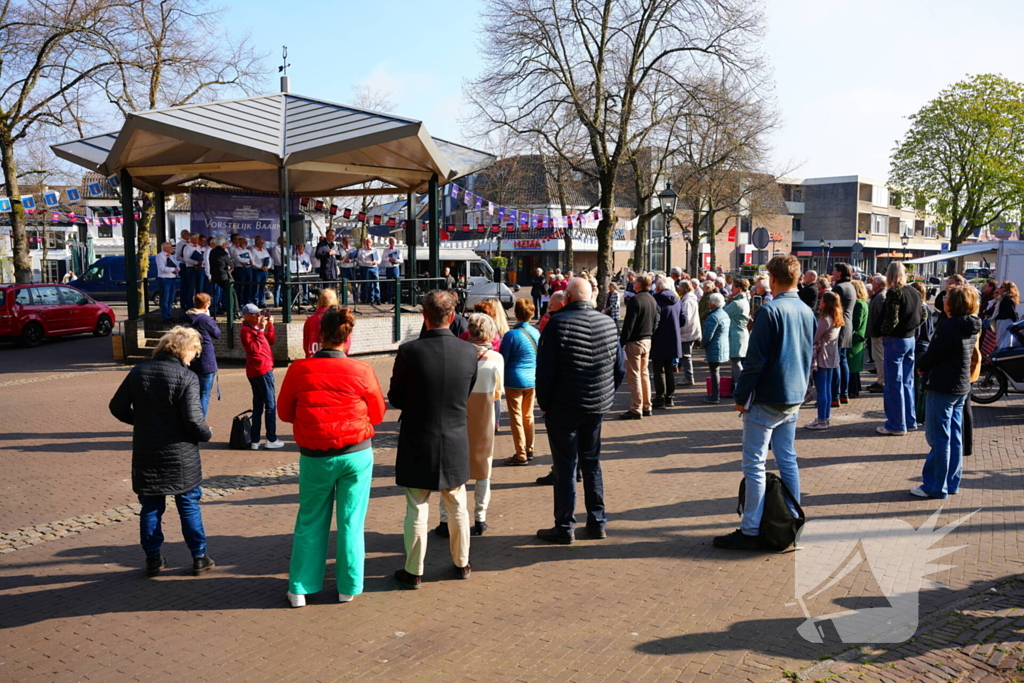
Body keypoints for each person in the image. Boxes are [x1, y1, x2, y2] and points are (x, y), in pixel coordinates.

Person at [277, 306, 386, 607]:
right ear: (348, 337)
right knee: (352, 521)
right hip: (355, 454)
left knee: (310, 519)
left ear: (320, 334)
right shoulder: (362, 371)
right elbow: (377, 413)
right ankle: (348, 586)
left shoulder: (299, 369)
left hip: (315, 454)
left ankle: (300, 587)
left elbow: (285, 412)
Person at [714, 255, 814, 550]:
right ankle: (793, 519)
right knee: (788, 460)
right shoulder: (807, 310)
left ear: (774, 277)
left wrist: (741, 397)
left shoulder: (771, 311)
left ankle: (751, 529)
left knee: (754, 464)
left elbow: (754, 362)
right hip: (793, 397)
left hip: (768, 397)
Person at [108, 326, 215, 577]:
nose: (194, 358)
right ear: (184, 350)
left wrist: (141, 420)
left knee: (151, 506)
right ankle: (199, 556)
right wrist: (206, 433)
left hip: (147, 450)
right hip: (180, 453)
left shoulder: (138, 372)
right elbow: (192, 419)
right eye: (194, 353)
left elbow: (117, 406)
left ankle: (153, 559)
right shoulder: (187, 378)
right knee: (188, 504)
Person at [389, 291, 479, 588]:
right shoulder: (469, 352)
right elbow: (465, 393)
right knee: (457, 505)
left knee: (417, 507)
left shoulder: (409, 351)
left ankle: (414, 570)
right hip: (454, 436)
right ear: (452, 317)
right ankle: (462, 563)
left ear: (423, 316)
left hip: (418, 436)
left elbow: (397, 397)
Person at [535, 277, 624, 543]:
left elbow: (545, 372)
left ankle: (564, 527)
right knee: (592, 463)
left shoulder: (557, 324)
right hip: (595, 407)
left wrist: (545, 405)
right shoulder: (608, 323)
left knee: (566, 467)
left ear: (570, 298)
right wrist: (605, 395)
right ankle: (597, 522)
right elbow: (618, 369)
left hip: (563, 408)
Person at [436, 313, 504, 539]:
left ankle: (446, 519)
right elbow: (497, 394)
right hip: (483, 417)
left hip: (456, 416)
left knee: (452, 469)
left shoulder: (457, 355)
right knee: (483, 468)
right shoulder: (495, 359)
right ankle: (480, 518)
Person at [912, 286, 981, 498]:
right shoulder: (973, 325)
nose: (943, 301)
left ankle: (934, 486)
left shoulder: (948, 326)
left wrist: (922, 366)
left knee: (939, 439)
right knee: (954, 437)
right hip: (960, 385)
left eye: (947, 298)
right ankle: (951, 483)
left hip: (943, 385)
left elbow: (934, 354)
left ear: (954, 303)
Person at [876, 262, 923, 436]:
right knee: (907, 382)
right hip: (910, 339)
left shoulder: (895, 292)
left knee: (893, 383)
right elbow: (923, 315)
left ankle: (896, 424)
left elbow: (892, 319)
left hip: (896, 340)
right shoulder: (914, 291)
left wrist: (884, 332)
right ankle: (909, 421)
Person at [501, 298, 541, 466]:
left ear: (515, 314)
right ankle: (530, 448)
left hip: (514, 378)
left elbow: (503, 358)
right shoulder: (536, 333)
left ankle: (520, 453)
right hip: (532, 378)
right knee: (528, 415)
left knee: (516, 416)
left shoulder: (511, 335)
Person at [240, 303, 285, 450]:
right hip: (261, 370)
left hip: (260, 370)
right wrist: (260, 330)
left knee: (259, 405)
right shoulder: (246, 330)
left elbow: (270, 341)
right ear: (247, 316)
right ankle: (271, 438)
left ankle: (255, 440)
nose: (259, 316)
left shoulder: (254, 328)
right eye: (256, 314)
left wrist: (270, 326)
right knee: (270, 405)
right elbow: (255, 349)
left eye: (259, 313)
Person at [618, 273, 658, 420]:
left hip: (634, 341)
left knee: (634, 375)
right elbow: (655, 321)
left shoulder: (635, 300)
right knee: (644, 374)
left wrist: (621, 343)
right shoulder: (652, 300)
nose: (633, 284)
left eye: (635, 282)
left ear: (639, 285)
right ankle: (647, 406)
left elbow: (629, 324)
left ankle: (636, 408)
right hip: (647, 340)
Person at [805, 291, 843, 430]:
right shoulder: (836, 317)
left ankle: (822, 419)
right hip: (831, 357)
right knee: (826, 390)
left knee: (822, 390)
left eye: (821, 300)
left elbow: (813, 338)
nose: (819, 302)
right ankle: (825, 418)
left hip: (822, 357)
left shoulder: (825, 320)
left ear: (826, 303)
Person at [180, 293, 221, 417]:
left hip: (188, 357)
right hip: (205, 359)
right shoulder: (205, 319)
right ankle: (199, 424)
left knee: (191, 394)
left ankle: (189, 421)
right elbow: (217, 334)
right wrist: (209, 318)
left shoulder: (183, 317)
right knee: (204, 394)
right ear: (206, 305)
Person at [651, 277, 684, 408]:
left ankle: (660, 398)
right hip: (673, 338)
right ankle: (669, 397)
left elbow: (655, 321)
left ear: (658, 287)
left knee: (659, 370)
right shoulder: (677, 301)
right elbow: (683, 319)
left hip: (659, 338)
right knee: (669, 369)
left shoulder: (656, 301)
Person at [829, 263, 856, 407]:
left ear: (839, 273)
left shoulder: (838, 287)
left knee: (835, 362)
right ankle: (844, 394)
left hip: (839, 326)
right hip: (847, 326)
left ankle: (835, 396)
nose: (832, 272)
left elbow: (832, 308)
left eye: (834, 270)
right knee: (843, 360)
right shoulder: (851, 286)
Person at [701, 293, 730, 404]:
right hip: (722, 345)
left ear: (713, 303)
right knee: (715, 371)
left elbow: (708, 335)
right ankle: (715, 394)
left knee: (714, 372)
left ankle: (714, 396)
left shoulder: (713, 317)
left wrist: (703, 344)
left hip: (714, 346)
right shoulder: (724, 314)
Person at [724, 278, 751, 387]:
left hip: (736, 335)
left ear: (739, 289)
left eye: (733, 287)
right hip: (740, 333)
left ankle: (739, 386)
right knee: (735, 361)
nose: (731, 289)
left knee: (736, 362)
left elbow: (724, 313)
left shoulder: (737, 303)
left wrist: (728, 301)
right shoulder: (744, 301)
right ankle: (736, 385)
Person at [865, 275, 888, 393]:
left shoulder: (881, 297)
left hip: (878, 334)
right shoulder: (878, 295)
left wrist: (880, 331)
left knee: (880, 358)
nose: (871, 284)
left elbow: (883, 316)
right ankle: (880, 380)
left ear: (879, 284)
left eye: (874, 282)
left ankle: (882, 382)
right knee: (877, 357)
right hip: (875, 333)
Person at [848, 279, 870, 399]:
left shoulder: (859, 304)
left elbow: (856, 323)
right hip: (858, 338)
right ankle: (855, 388)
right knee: (854, 366)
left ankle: (853, 389)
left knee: (852, 365)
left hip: (855, 338)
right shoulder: (863, 303)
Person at [303, 288, 339, 358]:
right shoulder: (338, 319)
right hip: (333, 361)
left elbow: (306, 344)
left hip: (312, 359)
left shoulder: (310, 320)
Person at [677, 279, 701, 386]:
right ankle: (687, 376)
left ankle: (689, 378)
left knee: (686, 356)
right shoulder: (691, 299)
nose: (678, 289)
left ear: (683, 289)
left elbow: (685, 318)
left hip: (687, 332)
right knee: (686, 355)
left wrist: (680, 330)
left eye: (680, 287)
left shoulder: (687, 301)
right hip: (692, 330)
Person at [154, 241, 180, 322]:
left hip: (172, 279)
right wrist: (173, 270)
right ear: (164, 248)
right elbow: (162, 267)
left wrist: (177, 270)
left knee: (171, 299)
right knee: (165, 298)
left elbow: (176, 265)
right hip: (164, 279)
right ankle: (165, 316)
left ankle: (169, 314)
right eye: (170, 247)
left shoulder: (172, 256)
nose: (171, 248)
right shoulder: (160, 256)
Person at [232, 237, 254, 309]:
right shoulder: (236, 250)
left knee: (249, 286)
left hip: (248, 269)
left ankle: (247, 301)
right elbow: (239, 260)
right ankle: (240, 303)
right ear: (240, 243)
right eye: (244, 242)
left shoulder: (248, 251)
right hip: (240, 269)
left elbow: (251, 260)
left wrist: (246, 261)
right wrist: (246, 261)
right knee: (240, 287)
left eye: (246, 242)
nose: (246, 244)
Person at [250, 235, 272, 306]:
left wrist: (268, 267)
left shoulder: (264, 250)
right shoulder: (253, 250)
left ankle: (262, 301)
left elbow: (270, 260)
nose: (262, 244)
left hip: (264, 270)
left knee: (263, 286)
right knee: (256, 287)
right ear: (256, 242)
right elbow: (252, 262)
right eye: (261, 243)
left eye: (263, 243)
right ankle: (254, 301)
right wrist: (260, 267)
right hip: (257, 271)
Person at [382, 236, 403, 304]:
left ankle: (398, 300)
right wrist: (389, 259)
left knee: (397, 284)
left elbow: (401, 261)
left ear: (395, 242)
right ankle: (389, 300)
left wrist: (395, 260)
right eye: (390, 241)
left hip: (395, 268)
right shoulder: (386, 250)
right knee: (389, 285)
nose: (391, 243)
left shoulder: (398, 250)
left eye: (392, 241)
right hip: (388, 269)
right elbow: (383, 259)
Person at [270, 236, 286, 307]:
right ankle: (276, 302)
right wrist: (284, 264)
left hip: (286, 268)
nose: (285, 243)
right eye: (284, 241)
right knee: (278, 285)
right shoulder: (276, 248)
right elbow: (277, 258)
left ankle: (282, 301)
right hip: (279, 267)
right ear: (280, 242)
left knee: (284, 285)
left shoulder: (286, 248)